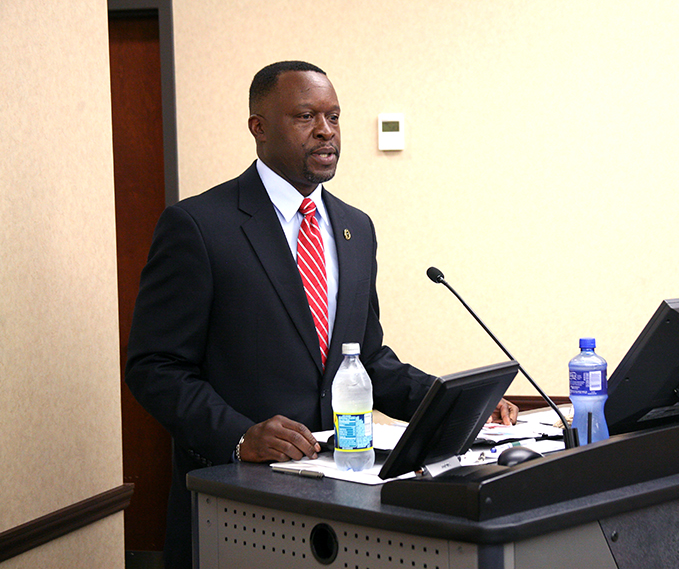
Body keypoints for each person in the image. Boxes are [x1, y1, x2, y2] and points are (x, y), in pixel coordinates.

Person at [125, 60, 518, 569]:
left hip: (342, 506)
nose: (326, 131)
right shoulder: (200, 225)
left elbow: (367, 358)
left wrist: (457, 409)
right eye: (306, 117)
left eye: (334, 116)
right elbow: (154, 367)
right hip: (240, 504)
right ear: (259, 128)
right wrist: (240, 436)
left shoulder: (356, 227)